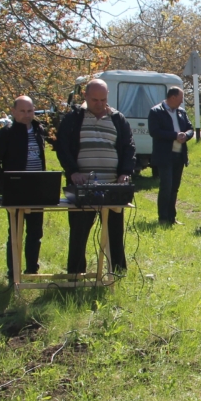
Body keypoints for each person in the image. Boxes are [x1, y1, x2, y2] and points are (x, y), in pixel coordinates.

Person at [54, 79, 135, 273]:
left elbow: (129, 148)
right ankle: (76, 274)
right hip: (83, 187)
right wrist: (73, 171)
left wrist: (125, 173)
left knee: (115, 233)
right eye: (95, 100)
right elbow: (63, 147)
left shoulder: (118, 119)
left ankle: (117, 272)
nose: (99, 104)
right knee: (79, 234)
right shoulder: (73, 119)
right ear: (85, 96)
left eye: (103, 100)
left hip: (112, 187)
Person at [0, 95, 48, 280]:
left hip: (37, 189)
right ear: (13, 112)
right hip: (15, 191)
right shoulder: (6, 133)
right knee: (15, 232)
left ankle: (32, 271)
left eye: (30, 111)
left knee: (35, 232)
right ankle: (13, 273)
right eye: (22, 111)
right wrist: (7, 182)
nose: (26, 115)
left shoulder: (39, 130)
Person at [149, 86, 191, 224]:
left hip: (179, 155)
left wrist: (186, 135)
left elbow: (190, 128)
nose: (182, 101)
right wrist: (174, 135)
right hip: (165, 156)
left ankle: (171, 217)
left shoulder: (181, 112)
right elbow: (154, 131)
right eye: (180, 98)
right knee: (166, 186)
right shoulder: (156, 111)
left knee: (174, 188)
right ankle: (163, 217)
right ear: (173, 97)